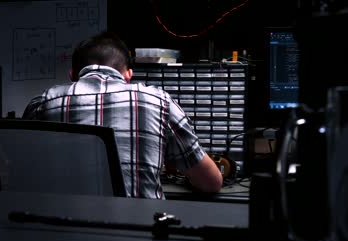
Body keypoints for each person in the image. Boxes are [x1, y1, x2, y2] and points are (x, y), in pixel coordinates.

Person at [22, 31, 223, 199]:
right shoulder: (160, 101)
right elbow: (211, 182)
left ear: (72, 75)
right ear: (128, 75)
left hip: (62, 236)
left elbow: (20, 174)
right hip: (141, 234)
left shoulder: (44, 103)